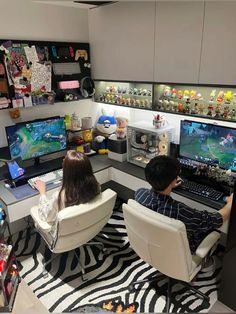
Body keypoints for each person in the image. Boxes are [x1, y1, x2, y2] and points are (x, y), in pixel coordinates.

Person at [135, 155, 233, 255]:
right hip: (181, 252)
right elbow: (215, 220)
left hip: (154, 243)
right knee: (212, 231)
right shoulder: (180, 211)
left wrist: (170, 185)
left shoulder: (140, 193)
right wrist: (230, 204)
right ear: (173, 180)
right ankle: (206, 263)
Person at [34, 150, 100, 237]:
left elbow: (47, 217)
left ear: (67, 172)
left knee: (36, 214)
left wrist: (42, 193)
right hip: (87, 227)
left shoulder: (60, 196)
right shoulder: (96, 186)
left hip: (66, 235)